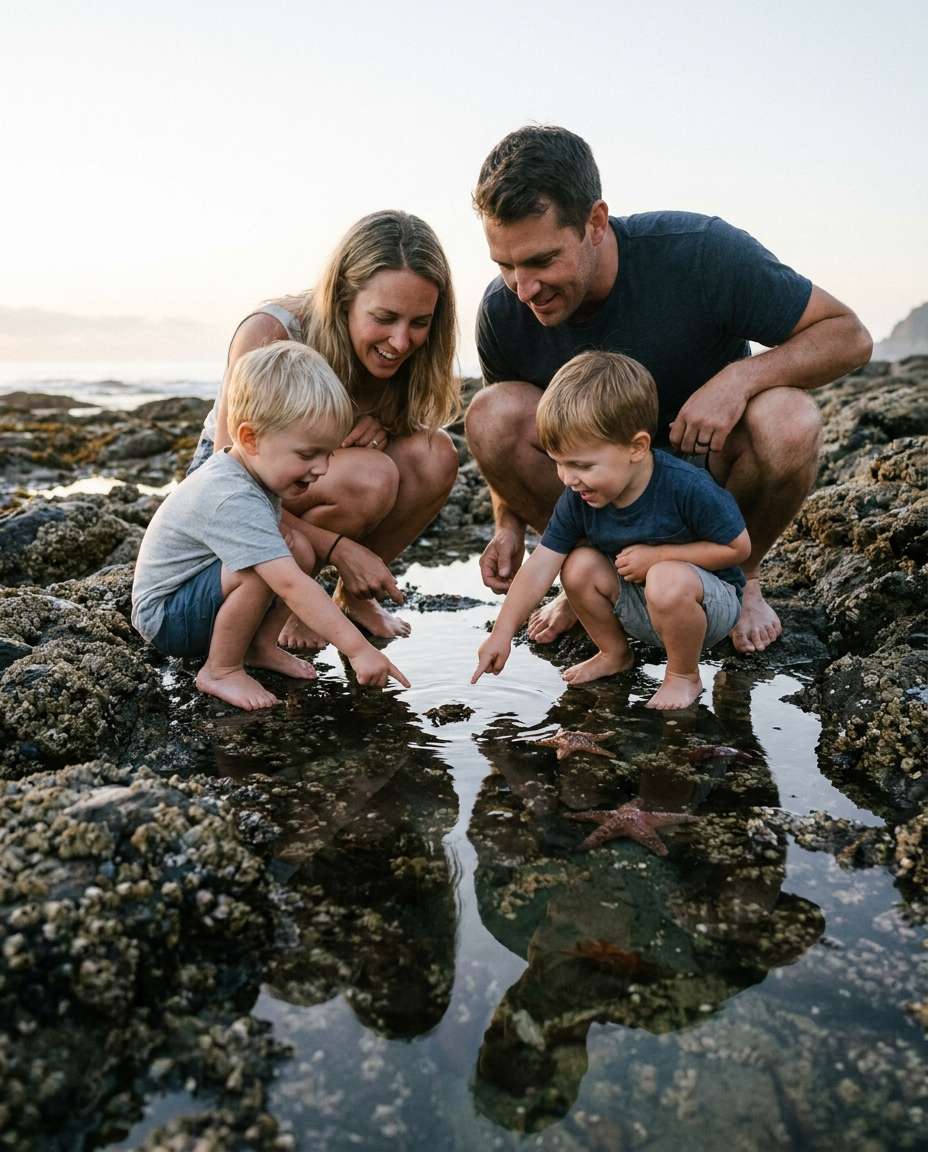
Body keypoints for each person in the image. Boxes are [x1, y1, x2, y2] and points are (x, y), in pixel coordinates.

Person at [465, 125, 873, 654]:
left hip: (708, 482)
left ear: (595, 222)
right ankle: (588, 573)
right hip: (599, 488)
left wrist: (738, 379)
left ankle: (741, 582)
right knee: (491, 413)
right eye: (505, 264)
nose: (524, 288)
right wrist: (507, 524)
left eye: (542, 261)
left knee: (788, 418)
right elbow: (517, 442)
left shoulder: (699, 252)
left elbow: (849, 336)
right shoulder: (504, 310)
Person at [190, 210, 459, 643]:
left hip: (311, 480)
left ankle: (352, 598)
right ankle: (293, 602)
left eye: (419, 323)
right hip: (227, 502)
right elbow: (226, 489)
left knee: (435, 455)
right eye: (385, 318)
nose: (401, 342)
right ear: (343, 299)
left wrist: (383, 427)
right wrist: (339, 548)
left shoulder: (408, 358)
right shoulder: (272, 331)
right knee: (371, 477)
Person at [132, 341, 410, 711]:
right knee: (259, 570)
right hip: (166, 618)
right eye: (307, 454)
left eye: (328, 453)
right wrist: (358, 650)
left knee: (298, 545)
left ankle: (259, 647)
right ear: (250, 438)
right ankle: (221, 669)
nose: (323, 468)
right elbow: (291, 585)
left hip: (194, 600)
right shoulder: (231, 494)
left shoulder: (253, 472)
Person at [472, 351, 751, 709]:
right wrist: (502, 633)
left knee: (667, 577)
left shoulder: (685, 486)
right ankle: (615, 653)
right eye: (558, 463)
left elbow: (738, 548)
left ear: (637, 448)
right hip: (640, 605)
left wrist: (660, 557)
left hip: (707, 607)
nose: (568, 478)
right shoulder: (579, 497)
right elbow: (541, 564)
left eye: (581, 465)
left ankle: (683, 675)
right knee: (577, 565)